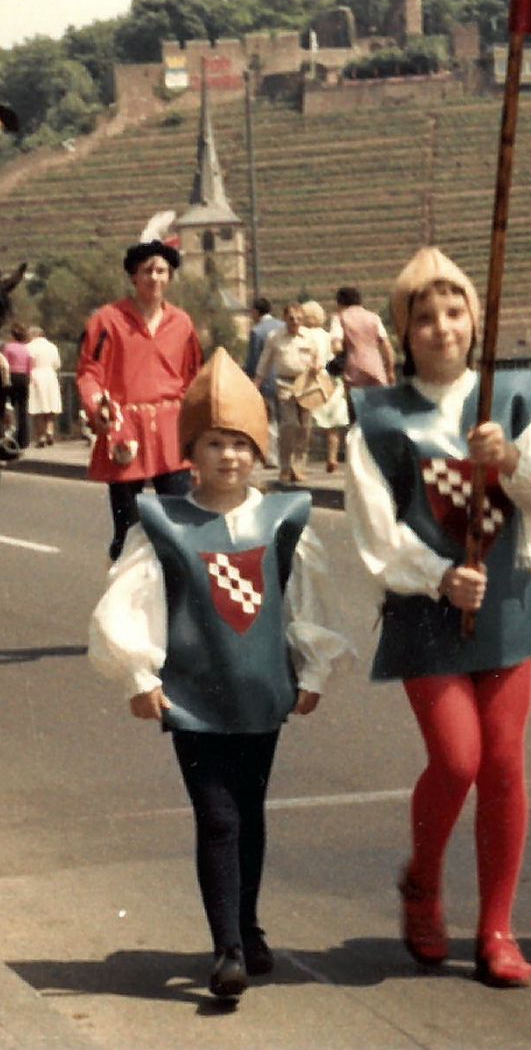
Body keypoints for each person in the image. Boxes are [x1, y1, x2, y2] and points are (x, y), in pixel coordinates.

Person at [340, 247, 531, 989]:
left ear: (474, 322)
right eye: (424, 317)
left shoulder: (513, 399)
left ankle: (496, 928)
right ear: (403, 331)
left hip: (507, 604)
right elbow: (372, 531)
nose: (442, 328)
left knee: (506, 766)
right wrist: (435, 577)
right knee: (458, 760)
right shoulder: (379, 418)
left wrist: (511, 459)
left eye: (454, 313)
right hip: (427, 614)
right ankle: (423, 881)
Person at [88, 349, 355, 1003]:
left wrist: (314, 667)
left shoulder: (281, 521)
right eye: (214, 443)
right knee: (218, 818)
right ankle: (228, 949)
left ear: (257, 451)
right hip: (195, 698)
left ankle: (249, 923)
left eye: (240, 444)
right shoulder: (167, 525)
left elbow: (304, 603)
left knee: (252, 813)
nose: (228, 457)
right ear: (192, 452)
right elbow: (130, 602)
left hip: (261, 693)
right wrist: (138, 675)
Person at [78, 241, 203, 560]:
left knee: (180, 526)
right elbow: (89, 371)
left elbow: (193, 378)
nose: (155, 277)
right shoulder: (107, 320)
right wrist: (97, 407)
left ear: (170, 277)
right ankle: (123, 599)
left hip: (172, 431)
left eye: (161, 271)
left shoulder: (182, 323)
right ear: (134, 276)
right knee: (128, 529)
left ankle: (176, 602)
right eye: (147, 270)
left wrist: (200, 437)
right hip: (125, 430)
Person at [252, 302, 330, 484]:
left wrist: (318, 366)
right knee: (289, 425)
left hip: (306, 384)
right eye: (291, 318)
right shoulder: (275, 337)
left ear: (302, 319)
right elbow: (265, 360)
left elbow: (319, 357)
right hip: (284, 384)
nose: (294, 321)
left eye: (298, 318)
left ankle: (299, 467)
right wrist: (257, 382)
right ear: (285, 318)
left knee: (305, 427)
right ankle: (285, 466)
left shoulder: (309, 337)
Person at [301, 300, 351, 473]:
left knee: (307, 423)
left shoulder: (303, 335)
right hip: (330, 381)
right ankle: (332, 458)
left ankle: (302, 460)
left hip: (310, 381)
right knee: (333, 425)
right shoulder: (328, 336)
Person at [333, 285, 396, 390]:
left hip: (353, 372)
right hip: (376, 369)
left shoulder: (339, 318)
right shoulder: (374, 318)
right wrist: (390, 371)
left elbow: (336, 347)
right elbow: (387, 347)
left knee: (356, 404)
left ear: (340, 302)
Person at [25, 325, 63, 447]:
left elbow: (28, 364)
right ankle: (49, 431)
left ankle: (41, 436)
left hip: (36, 375)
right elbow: (57, 364)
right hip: (50, 375)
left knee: (38, 408)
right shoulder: (52, 347)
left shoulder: (29, 347)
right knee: (51, 407)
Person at [1, 325, 33, 449]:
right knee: (23, 409)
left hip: (12, 376)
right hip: (24, 377)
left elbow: (4, 364)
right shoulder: (26, 349)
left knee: (8, 406)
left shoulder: (8, 347)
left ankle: (8, 434)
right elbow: (30, 366)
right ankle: (24, 439)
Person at [243, 297, 283, 379]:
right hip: (284, 378)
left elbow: (253, 361)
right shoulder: (283, 326)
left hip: (265, 382)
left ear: (256, 312)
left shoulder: (256, 332)